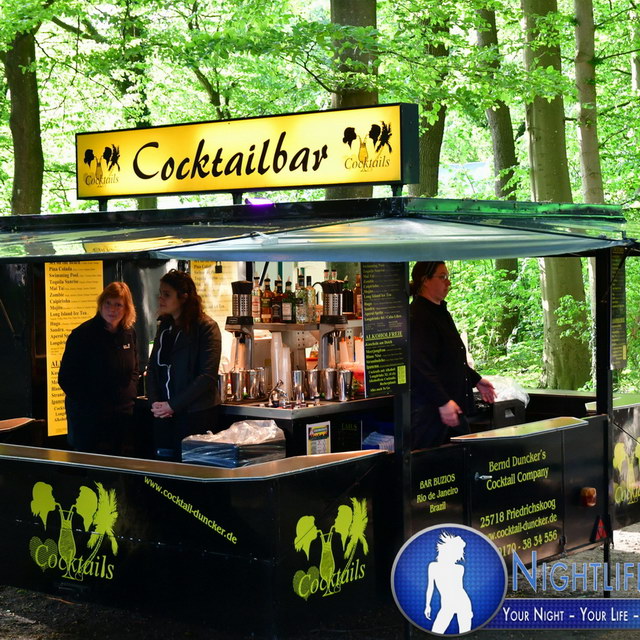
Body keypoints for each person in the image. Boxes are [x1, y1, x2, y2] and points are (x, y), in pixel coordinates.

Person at [409, 261, 495, 449]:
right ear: (425, 281)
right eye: (442, 277)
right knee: (431, 462)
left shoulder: (440, 311)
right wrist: (443, 402)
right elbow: (420, 366)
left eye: (448, 277)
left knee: (464, 456)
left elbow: (450, 357)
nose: (448, 282)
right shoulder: (419, 316)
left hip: (452, 406)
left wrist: (476, 379)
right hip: (431, 411)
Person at [146, 269, 221, 461]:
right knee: (164, 469)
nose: (161, 299)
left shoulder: (206, 328)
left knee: (189, 470)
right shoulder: (165, 326)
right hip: (163, 415)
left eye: (167, 294)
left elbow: (207, 377)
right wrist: (155, 403)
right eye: (160, 293)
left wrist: (173, 405)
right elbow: (153, 368)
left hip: (195, 415)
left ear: (184, 297)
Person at [58, 281, 139, 455]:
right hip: (90, 418)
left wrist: (129, 395)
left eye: (118, 305)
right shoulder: (82, 335)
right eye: (108, 303)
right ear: (101, 304)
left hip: (122, 415)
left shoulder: (129, 333)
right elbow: (66, 378)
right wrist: (90, 403)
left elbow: (134, 370)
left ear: (127, 308)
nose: (112, 309)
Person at [424, 532, 473, 633]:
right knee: (436, 631)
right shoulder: (433, 566)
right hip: (447, 605)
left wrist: (468, 610)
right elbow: (430, 587)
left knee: (465, 633)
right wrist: (427, 605)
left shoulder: (459, 568)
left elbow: (459, 589)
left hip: (462, 603)